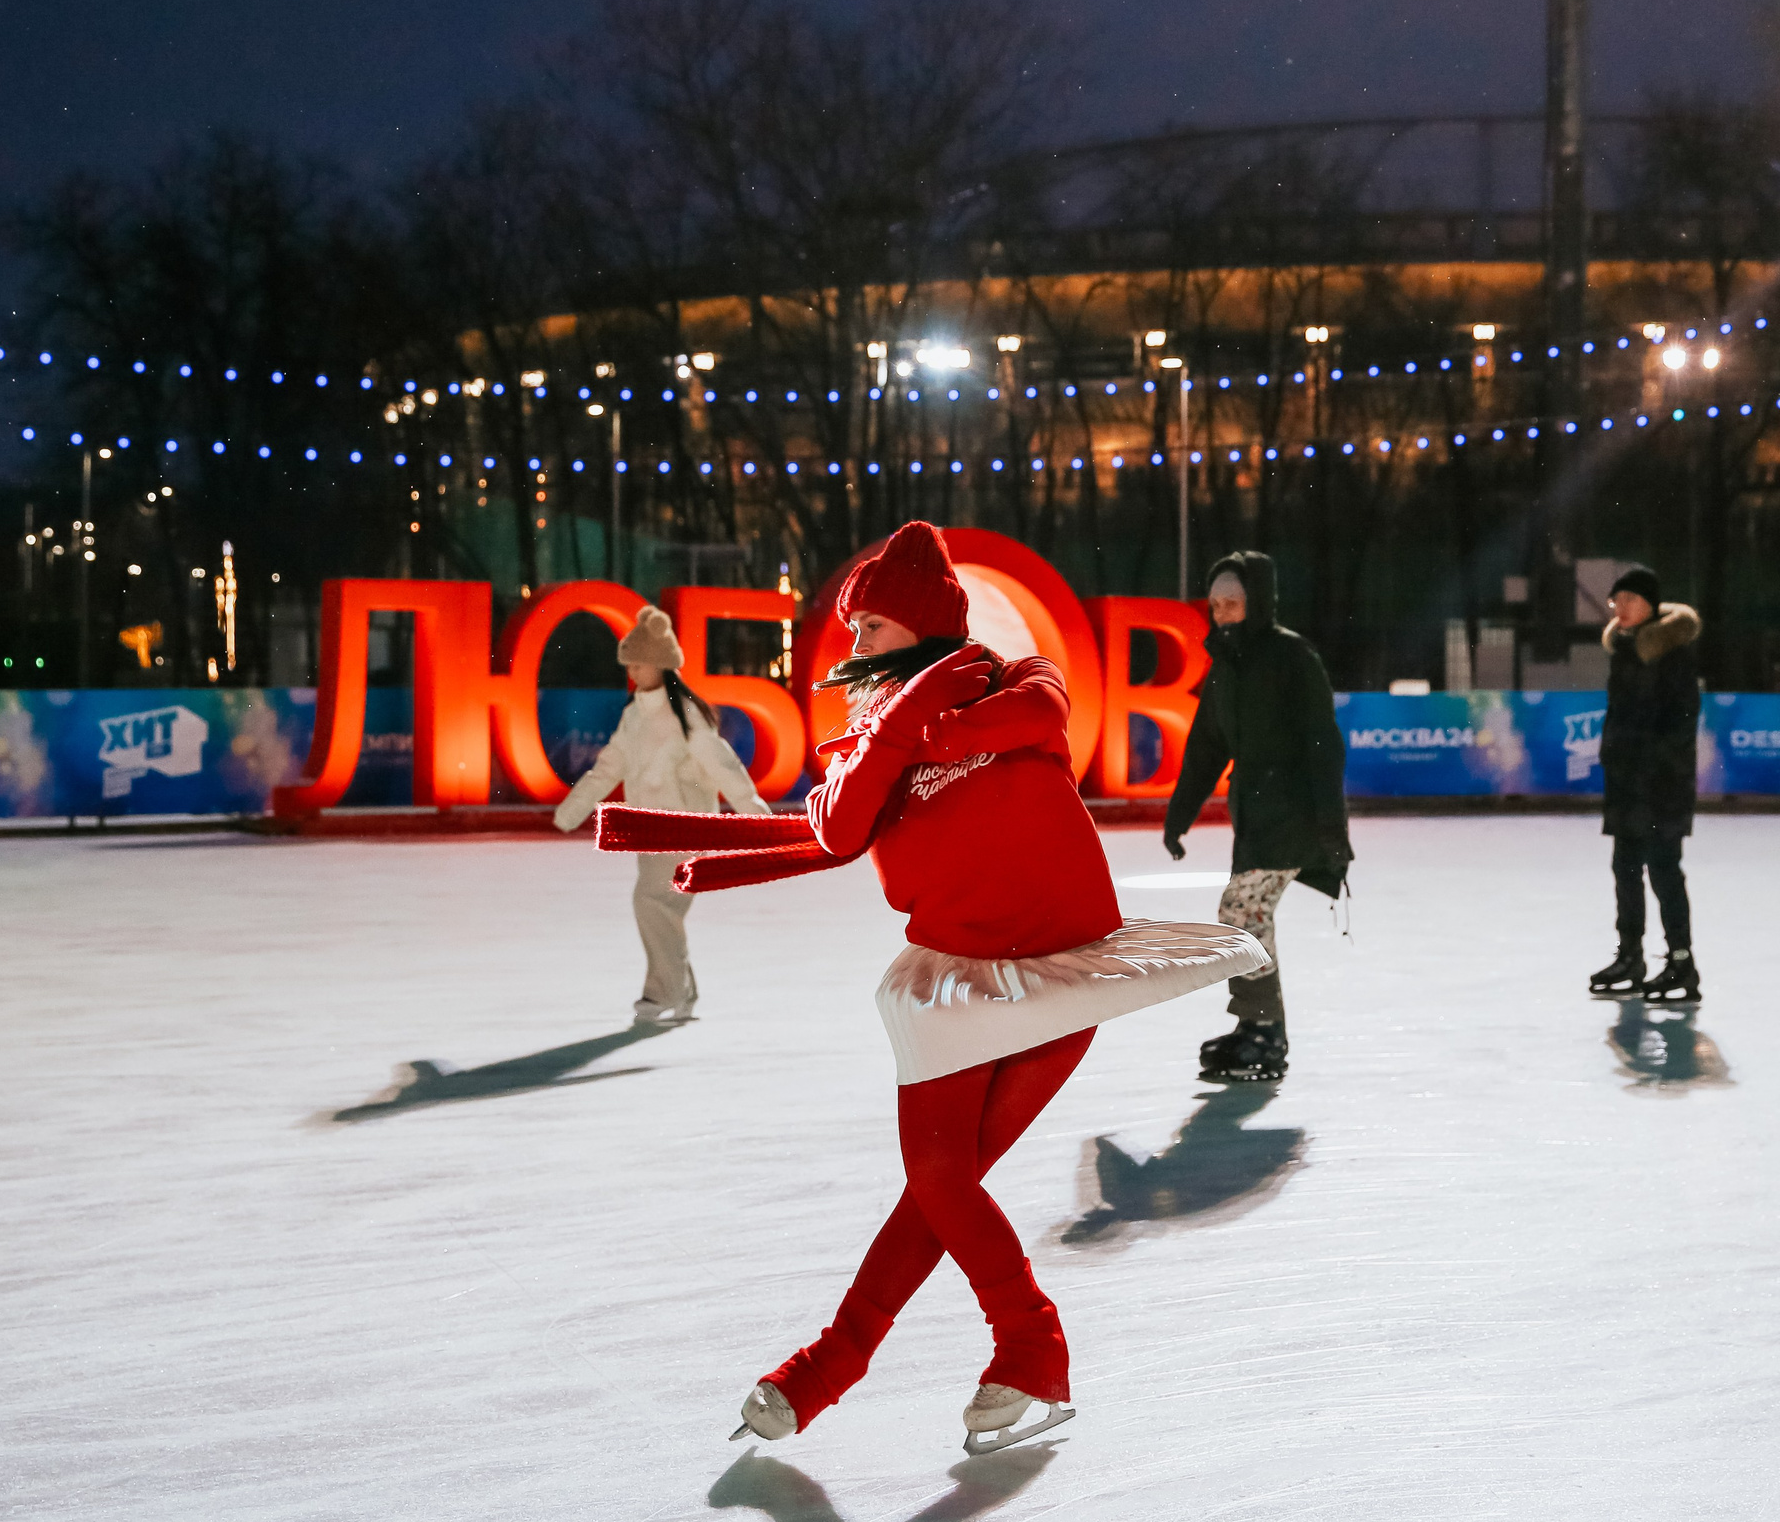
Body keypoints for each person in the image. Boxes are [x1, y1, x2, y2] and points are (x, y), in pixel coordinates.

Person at [593, 522, 1265, 1453]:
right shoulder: (863, 738)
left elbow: (1038, 716)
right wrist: (903, 725)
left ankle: (874, 1358)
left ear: (918, 626)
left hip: (1065, 969)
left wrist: (926, 724)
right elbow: (835, 828)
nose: (852, 647)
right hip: (955, 980)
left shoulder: (1014, 675)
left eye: (869, 629)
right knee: (939, 1177)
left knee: (942, 1180)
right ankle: (949, 1352)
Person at [1161, 552, 1351, 1084]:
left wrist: (1331, 828)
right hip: (1256, 811)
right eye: (1216, 604)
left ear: (1258, 603)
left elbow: (1323, 744)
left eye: (1234, 603)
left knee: (1241, 912)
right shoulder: (1226, 666)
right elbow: (1205, 747)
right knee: (1244, 915)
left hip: (1294, 810)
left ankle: (1264, 1030)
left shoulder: (1293, 657)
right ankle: (1257, 1027)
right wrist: (1180, 815)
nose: (1222, 613)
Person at [553, 605, 770, 1023]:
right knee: (661, 909)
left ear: (661, 665)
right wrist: (573, 808)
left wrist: (754, 816)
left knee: (651, 903)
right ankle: (682, 988)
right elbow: (609, 766)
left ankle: (663, 992)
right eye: (629, 664)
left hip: (685, 831)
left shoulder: (685, 717)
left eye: (639, 663)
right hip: (648, 830)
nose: (633, 671)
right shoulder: (634, 715)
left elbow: (724, 766)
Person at [1587, 564, 1705, 1003]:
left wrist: (1653, 764)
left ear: (1651, 605)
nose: (1620, 607)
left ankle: (1681, 963)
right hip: (1627, 783)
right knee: (1625, 869)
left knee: (1663, 871)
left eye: (1629, 599)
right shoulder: (1624, 651)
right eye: (1617, 600)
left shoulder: (1671, 653)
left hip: (1661, 784)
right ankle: (1631, 955)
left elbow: (1682, 720)